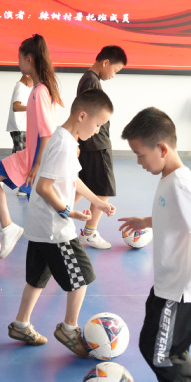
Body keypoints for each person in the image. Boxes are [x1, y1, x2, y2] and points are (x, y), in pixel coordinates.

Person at [119, 107, 191, 382]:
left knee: (160, 352)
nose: (139, 162)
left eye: (141, 155)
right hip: (166, 284)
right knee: (165, 348)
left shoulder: (179, 182)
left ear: (162, 148)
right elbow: (175, 216)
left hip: (180, 288)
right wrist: (146, 220)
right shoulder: (169, 177)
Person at [7, 89, 116, 355]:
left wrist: (98, 202)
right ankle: (69, 329)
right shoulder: (65, 145)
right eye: (98, 124)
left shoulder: (63, 137)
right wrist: (69, 212)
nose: (98, 131)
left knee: (37, 279)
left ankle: (20, 325)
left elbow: (73, 179)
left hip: (40, 226)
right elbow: (44, 187)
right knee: (82, 278)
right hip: (55, 229)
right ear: (82, 116)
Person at [0, 34, 62, 259]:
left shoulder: (40, 91)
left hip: (36, 160)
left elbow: (47, 133)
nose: (18, 63)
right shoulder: (38, 89)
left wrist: (37, 165)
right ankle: (9, 228)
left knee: (41, 219)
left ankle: (57, 252)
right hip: (29, 156)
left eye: (19, 59)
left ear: (29, 59)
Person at [75, 45, 127, 249]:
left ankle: (55, 214)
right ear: (105, 62)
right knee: (104, 189)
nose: (113, 75)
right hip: (97, 144)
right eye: (115, 70)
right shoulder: (91, 81)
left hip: (91, 142)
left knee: (83, 185)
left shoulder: (89, 79)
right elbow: (87, 113)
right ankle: (89, 233)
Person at [7, 72, 33, 196]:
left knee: (17, 157)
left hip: (22, 127)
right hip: (20, 127)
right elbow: (16, 107)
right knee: (23, 158)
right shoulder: (21, 88)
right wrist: (31, 108)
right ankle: (23, 187)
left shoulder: (24, 88)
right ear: (27, 75)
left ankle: (1, 176)